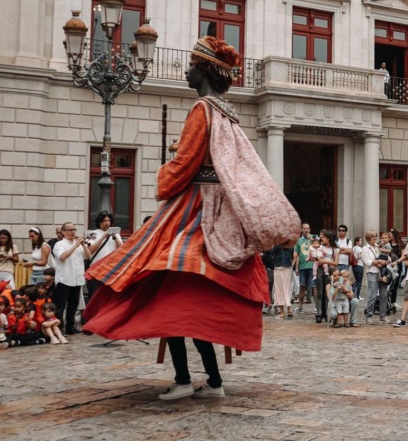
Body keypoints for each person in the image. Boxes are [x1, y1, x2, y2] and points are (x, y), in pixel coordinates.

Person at [84, 34, 300, 400]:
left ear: (202, 70)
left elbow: (185, 163)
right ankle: (211, 380)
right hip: (214, 207)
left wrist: (164, 177)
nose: (184, 70)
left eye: (189, 65)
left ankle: (186, 379)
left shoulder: (202, 109)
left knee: (171, 298)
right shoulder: (226, 110)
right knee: (188, 305)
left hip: (194, 209)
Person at [51, 222, 87, 335]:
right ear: (63, 232)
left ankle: (70, 327)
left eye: (74, 229)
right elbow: (63, 257)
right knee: (60, 305)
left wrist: (84, 245)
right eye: (70, 230)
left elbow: (89, 255)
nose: (72, 232)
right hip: (64, 279)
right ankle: (59, 327)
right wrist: (75, 245)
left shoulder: (79, 244)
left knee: (73, 304)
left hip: (77, 278)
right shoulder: (59, 244)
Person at [293, 224, 314, 314]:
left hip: (312, 266)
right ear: (301, 230)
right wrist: (297, 267)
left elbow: (319, 247)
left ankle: (317, 307)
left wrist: (311, 239)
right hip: (302, 266)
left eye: (308, 229)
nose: (306, 230)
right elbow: (297, 255)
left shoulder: (313, 238)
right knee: (302, 286)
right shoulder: (298, 240)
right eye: (304, 229)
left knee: (314, 287)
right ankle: (300, 306)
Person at [269, 243, 294, 319]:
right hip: (286, 266)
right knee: (286, 288)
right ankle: (289, 310)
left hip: (278, 267)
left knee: (279, 289)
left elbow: (273, 254)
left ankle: (283, 312)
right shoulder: (290, 244)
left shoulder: (277, 244)